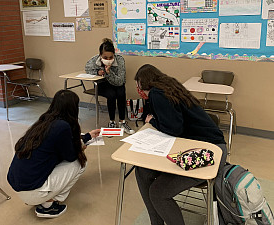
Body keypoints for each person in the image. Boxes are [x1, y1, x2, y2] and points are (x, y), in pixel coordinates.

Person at [134, 64, 227, 225]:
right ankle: (156, 222)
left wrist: (153, 121)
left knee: (157, 193)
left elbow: (173, 129)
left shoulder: (157, 93)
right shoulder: (169, 86)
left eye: (138, 86)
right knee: (142, 170)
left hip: (210, 154)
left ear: (142, 83)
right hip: (206, 147)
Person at [7, 90, 101, 218]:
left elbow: (63, 142)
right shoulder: (63, 126)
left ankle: (42, 198)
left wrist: (88, 136)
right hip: (32, 190)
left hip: (19, 185)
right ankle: (48, 205)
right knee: (80, 163)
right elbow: (71, 156)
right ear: (73, 108)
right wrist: (82, 146)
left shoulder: (45, 120)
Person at [85, 38, 135, 134]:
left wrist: (109, 73)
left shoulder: (120, 60)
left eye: (110, 57)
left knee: (121, 92)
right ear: (100, 55)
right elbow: (87, 69)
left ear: (114, 55)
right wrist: (97, 72)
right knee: (111, 95)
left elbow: (120, 81)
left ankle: (122, 122)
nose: (108, 60)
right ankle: (112, 121)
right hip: (102, 84)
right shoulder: (95, 60)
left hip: (117, 82)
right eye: (105, 57)